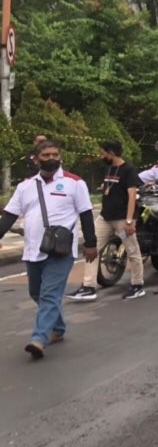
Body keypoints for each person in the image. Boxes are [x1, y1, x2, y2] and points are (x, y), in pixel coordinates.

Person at [0, 140, 97, 359]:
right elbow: (9, 216)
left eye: (55, 154)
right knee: (36, 293)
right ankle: (58, 327)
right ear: (36, 159)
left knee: (49, 294)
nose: (52, 158)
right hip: (33, 249)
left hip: (61, 250)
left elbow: (86, 213)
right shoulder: (25, 186)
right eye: (46, 155)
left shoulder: (74, 183)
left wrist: (91, 244)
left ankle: (38, 339)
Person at [69, 141, 145, 301]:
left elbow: (132, 196)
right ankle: (88, 287)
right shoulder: (109, 168)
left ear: (111, 152)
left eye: (103, 153)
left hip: (123, 219)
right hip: (105, 217)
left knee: (132, 251)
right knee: (92, 248)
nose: (101, 155)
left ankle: (137, 285)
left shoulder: (129, 170)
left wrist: (130, 221)